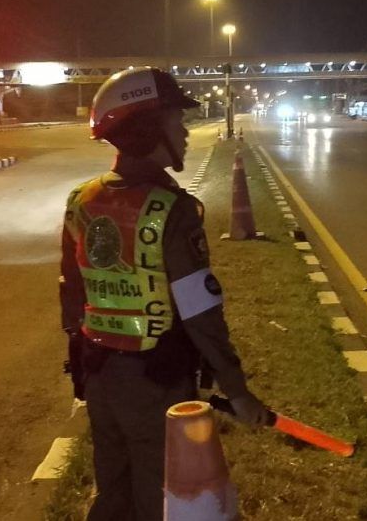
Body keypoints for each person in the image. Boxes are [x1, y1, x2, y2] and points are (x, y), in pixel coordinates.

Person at [59, 67, 267, 521]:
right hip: (156, 383)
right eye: (177, 121)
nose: (185, 132)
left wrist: (84, 365)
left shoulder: (82, 201)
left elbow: (72, 297)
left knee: (113, 491)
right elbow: (200, 314)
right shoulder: (172, 211)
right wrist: (237, 391)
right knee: (160, 497)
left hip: (99, 377)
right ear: (148, 129)